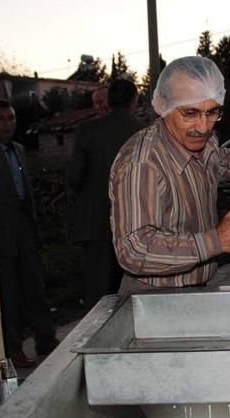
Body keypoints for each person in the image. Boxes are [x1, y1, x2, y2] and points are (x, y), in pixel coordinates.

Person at [109, 56, 230, 293]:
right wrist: (218, 240)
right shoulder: (142, 163)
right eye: (190, 113)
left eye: (212, 112)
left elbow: (222, 159)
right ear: (162, 106)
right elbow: (134, 249)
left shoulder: (203, 141)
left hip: (198, 286)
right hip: (153, 297)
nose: (204, 126)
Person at [0, 99, 59, 368]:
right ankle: (13, 349)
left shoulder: (18, 150)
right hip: (3, 236)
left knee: (35, 288)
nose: (8, 124)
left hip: (25, 231)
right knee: (10, 295)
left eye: (11, 118)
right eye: (2, 119)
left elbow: (25, 194)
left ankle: (46, 338)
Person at [68, 79, 146, 307]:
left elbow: (74, 177)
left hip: (95, 225)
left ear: (108, 101)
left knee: (99, 298)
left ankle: (95, 341)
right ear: (134, 101)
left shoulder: (88, 130)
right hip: (134, 225)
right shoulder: (143, 133)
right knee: (131, 297)